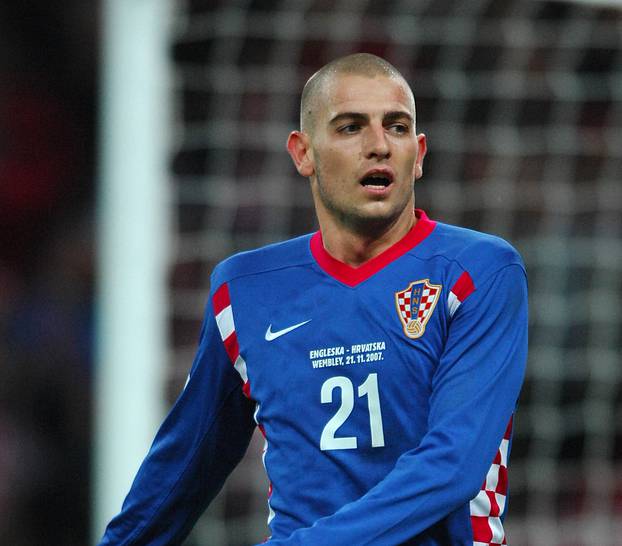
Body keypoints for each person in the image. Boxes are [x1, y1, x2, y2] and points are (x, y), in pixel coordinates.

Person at [99, 53, 527, 546]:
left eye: (397, 126)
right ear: (303, 153)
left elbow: (452, 466)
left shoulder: (479, 272)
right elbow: (183, 469)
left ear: (420, 152)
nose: (379, 145)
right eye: (350, 127)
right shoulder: (245, 290)